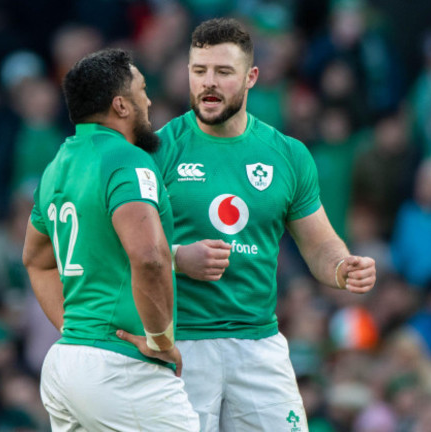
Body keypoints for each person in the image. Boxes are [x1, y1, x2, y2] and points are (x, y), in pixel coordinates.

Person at [118, 18, 377, 431]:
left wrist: (342, 267)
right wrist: (181, 259)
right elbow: (119, 246)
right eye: (199, 70)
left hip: (258, 345)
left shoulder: (288, 155)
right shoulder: (155, 151)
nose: (209, 83)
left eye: (223, 72)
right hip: (180, 342)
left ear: (251, 77)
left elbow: (319, 244)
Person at [22, 48, 199, 432]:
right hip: (120, 370)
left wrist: (78, 329)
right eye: (142, 90)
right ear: (121, 105)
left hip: (68, 363)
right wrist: (161, 339)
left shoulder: (56, 168)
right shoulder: (126, 160)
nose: (149, 100)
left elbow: (35, 260)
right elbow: (149, 257)